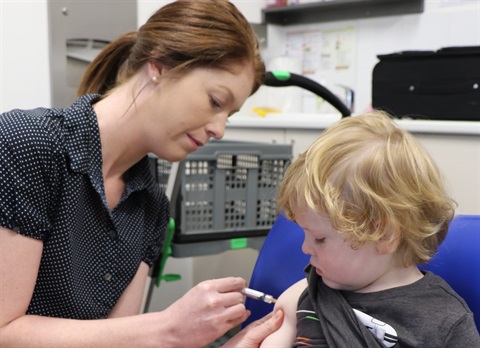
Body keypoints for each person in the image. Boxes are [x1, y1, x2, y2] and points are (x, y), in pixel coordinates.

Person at [0, 1, 284, 347]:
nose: (220, 130)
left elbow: (123, 340)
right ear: (160, 66)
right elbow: (5, 331)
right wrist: (168, 326)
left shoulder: (151, 206)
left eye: (230, 115)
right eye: (215, 101)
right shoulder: (27, 144)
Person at [261, 112, 480, 347]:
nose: (305, 248)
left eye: (319, 238)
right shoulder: (305, 294)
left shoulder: (445, 321)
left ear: (384, 235)